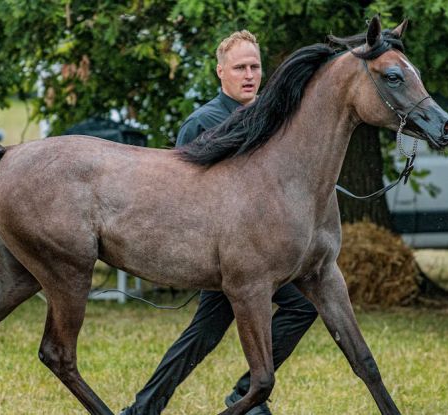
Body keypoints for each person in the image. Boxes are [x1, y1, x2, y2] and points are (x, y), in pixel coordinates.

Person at [120, 30, 318, 415]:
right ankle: (244, 395)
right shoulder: (202, 123)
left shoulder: (274, 118)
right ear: (220, 72)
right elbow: (177, 192)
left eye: (255, 67)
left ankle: (157, 407)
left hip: (260, 256)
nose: (249, 75)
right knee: (216, 331)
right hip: (219, 256)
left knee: (208, 334)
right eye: (240, 67)